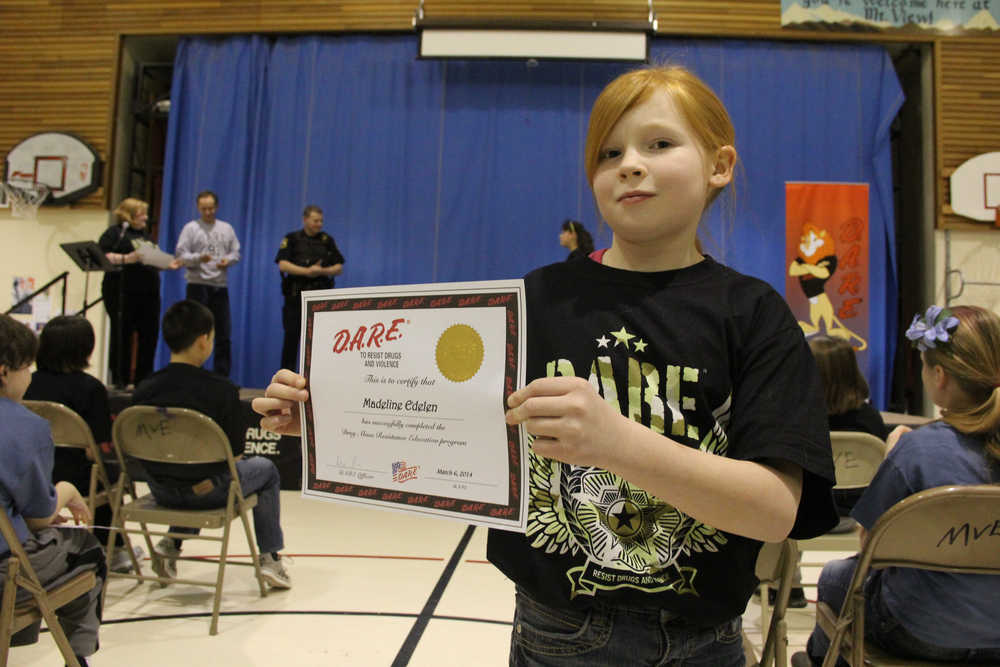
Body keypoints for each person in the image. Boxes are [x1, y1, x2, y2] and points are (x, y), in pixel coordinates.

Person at [253, 64, 838, 665]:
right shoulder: (535, 301)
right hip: (556, 632)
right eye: (609, 153)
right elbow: (446, 425)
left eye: (659, 144)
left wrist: (616, 442)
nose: (630, 164)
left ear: (720, 165)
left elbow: (773, 511)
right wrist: (334, 420)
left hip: (702, 641)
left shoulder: (755, 314)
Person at [795, 305, 1000, 667]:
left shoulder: (917, 451)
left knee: (837, 576)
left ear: (939, 376)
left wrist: (892, 458)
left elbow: (872, 549)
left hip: (920, 631)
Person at [131, 300, 291, 589]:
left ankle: (171, 545)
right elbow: (236, 456)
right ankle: (270, 559)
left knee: (187, 468)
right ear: (204, 340)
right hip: (208, 493)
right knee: (265, 471)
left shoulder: (143, 390)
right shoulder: (222, 391)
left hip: (159, 490)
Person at [0, 314, 104, 667]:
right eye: (26, 366)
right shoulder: (26, 426)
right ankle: (78, 657)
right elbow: (41, 516)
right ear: (4, 372)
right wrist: (67, 490)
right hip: (3, 578)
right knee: (84, 547)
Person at [23, 315, 141, 573]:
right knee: (109, 475)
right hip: (74, 475)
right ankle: (115, 548)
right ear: (85, 348)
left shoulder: (27, 382)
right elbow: (94, 449)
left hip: (34, 472)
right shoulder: (91, 389)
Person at [98, 197, 179, 387]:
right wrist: (129, 258)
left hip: (148, 292)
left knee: (149, 335)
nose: (145, 217)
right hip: (122, 291)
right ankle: (120, 379)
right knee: (122, 334)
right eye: (142, 213)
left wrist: (167, 262)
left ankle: (144, 379)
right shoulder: (115, 233)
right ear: (130, 214)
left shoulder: (145, 236)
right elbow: (104, 256)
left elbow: (153, 258)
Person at [174, 190, 240, 377]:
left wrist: (228, 260)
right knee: (195, 332)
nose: (208, 212)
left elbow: (236, 252)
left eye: (211, 208)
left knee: (223, 334)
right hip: (197, 285)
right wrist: (198, 258)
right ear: (198, 208)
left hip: (219, 286)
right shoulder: (191, 228)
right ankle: (194, 375)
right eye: (204, 209)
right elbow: (181, 255)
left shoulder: (226, 228)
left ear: (216, 207)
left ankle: (221, 377)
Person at [275, 204, 345, 370]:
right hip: (296, 298)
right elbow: (283, 265)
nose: (319, 224)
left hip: (320, 300)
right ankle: (286, 381)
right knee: (291, 340)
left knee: (320, 343)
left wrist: (322, 271)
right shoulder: (291, 239)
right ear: (305, 220)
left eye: (321, 221)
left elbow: (339, 267)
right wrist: (307, 272)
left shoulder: (327, 240)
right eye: (315, 220)